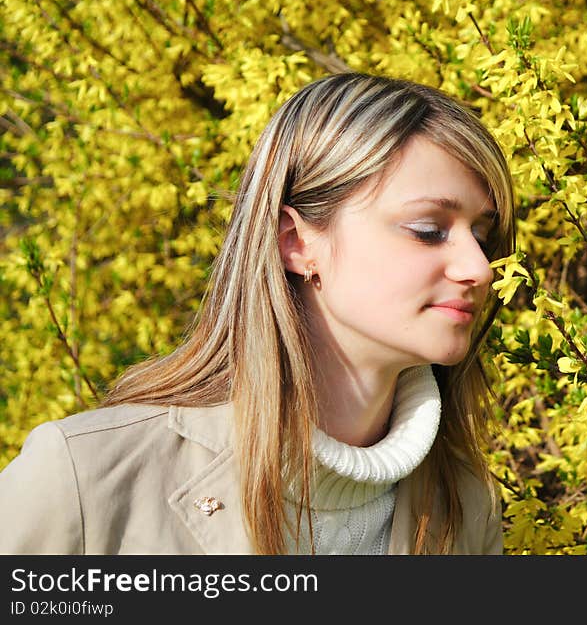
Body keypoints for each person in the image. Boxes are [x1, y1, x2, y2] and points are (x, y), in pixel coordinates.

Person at [0, 72, 516, 555]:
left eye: (483, 236)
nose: (480, 267)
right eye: (429, 229)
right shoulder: (86, 477)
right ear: (295, 242)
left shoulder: (467, 511)